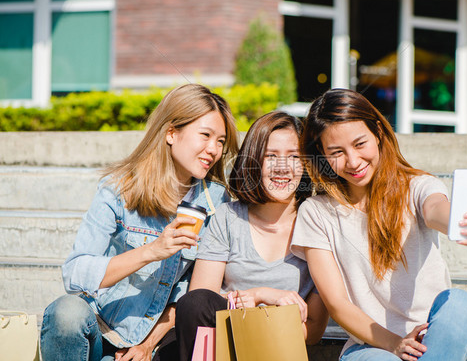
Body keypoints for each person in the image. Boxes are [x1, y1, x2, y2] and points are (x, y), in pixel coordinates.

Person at [40, 83, 239, 361]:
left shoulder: (217, 203)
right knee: (66, 313)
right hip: (99, 326)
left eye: (220, 141)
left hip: (157, 342)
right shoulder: (119, 189)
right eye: (205, 135)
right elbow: (74, 274)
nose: (213, 149)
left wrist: (148, 345)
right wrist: (151, 251)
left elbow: (195, 296)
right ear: (171, 133)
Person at [291, 88, 467, 361]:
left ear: (379, 135)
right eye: (337, 152)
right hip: (371, 348)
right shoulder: (316, 212)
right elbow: (337, 304)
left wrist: (457, 221)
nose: (353, 161)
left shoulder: (416, 186)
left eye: (360, 144)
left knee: (460, 304)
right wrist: (396, 344)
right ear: (322, 155)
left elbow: (433, 209)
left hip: (438, 340)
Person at [174, 111, 329, 360]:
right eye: (270, 156)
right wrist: (263, 296)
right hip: (222, 345)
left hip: (279, 348)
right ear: (253, 161)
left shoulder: (318, 224)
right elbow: (198, 306)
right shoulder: (227, 217)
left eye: (294, 157)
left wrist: (254, 307)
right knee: (195, 303)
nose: (282, 167)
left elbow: (313, 332)